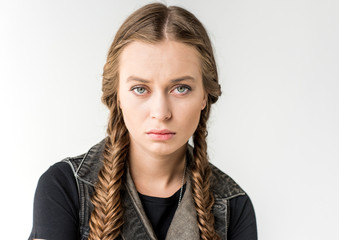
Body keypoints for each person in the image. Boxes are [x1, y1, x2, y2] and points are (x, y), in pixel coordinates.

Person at [29, 3, 257, 240]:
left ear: (204, 95)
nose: (161, 112)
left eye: (181, 88)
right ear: (117, 95)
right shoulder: (63, 188)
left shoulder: (234, 207)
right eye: (140, 89)